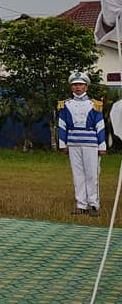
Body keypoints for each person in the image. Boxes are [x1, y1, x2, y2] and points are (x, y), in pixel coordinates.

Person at [58, 73, 106, 217]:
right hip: (73, 143)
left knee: (92, 174)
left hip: (91, 144)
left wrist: (102, 146)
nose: (77, 87)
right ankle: (81, 205)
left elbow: (100, 125)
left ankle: (94, 205)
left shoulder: (95, 104)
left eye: (80, 84)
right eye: (75, 84)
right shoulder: (65, 104)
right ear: (71, 86)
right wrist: (62, 144)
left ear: (86, 86)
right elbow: (62, 125)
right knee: (77, 174)